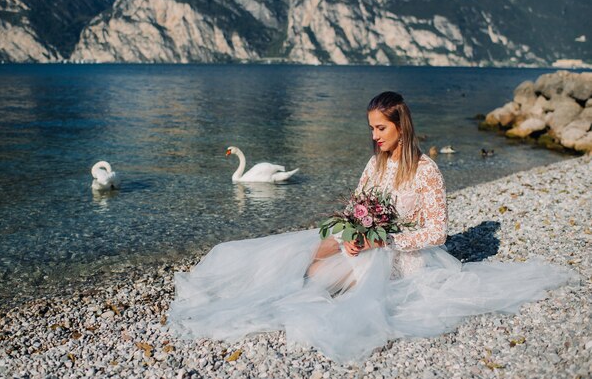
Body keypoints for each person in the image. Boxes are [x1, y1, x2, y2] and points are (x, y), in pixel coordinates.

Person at [167, 91, 576, 364]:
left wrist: (386, 240)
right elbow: (355, 205)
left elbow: (437, 233)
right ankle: (301, 287)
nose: (374, 135)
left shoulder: (426, 170)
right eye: (371, 128)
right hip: (368, 241)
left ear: (401, 126)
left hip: (404, 254)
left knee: (335, 278)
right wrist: (351, 231)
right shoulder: (375, 164)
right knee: (317, 251)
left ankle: (318, 295)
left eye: (380, 128)